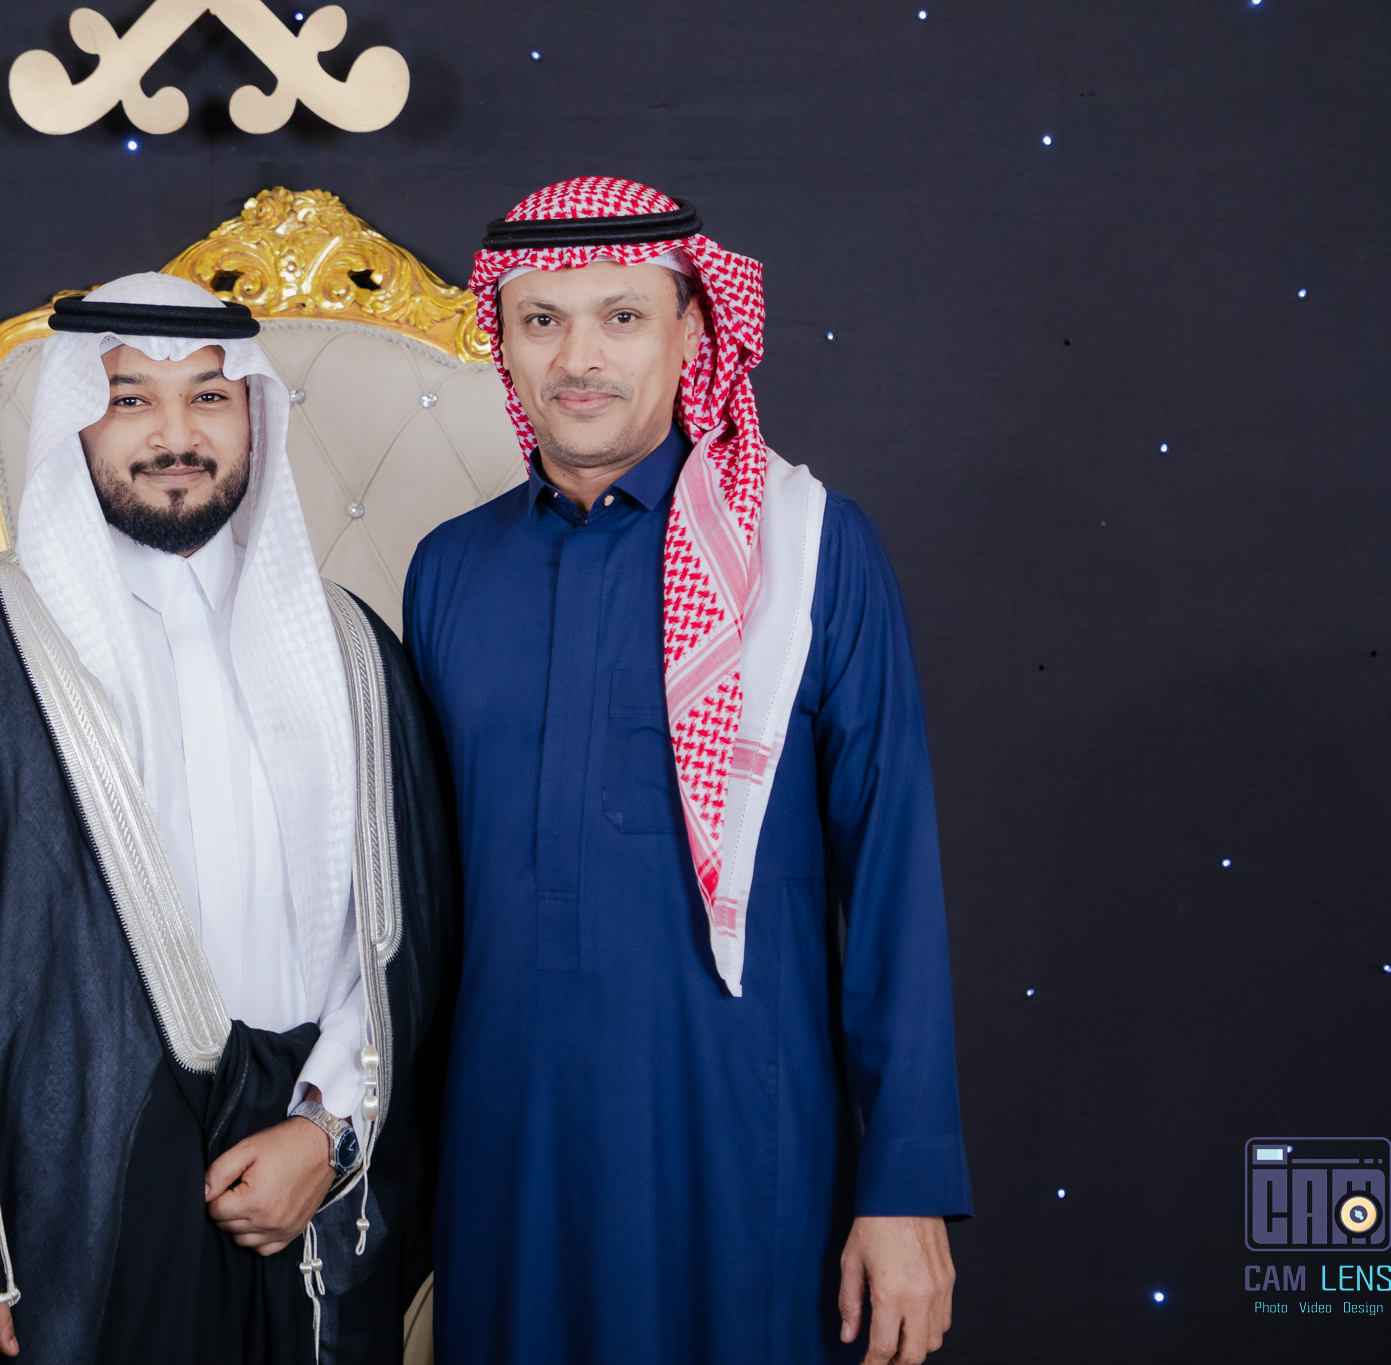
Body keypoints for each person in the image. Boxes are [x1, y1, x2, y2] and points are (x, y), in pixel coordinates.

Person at [0, 273, 455, 1365]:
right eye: (131, 399)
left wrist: (326, 1133)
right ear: (76, 419)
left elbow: (405, 939)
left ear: (253, 414)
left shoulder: (352, 650)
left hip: (304, 1198)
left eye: (209, 397)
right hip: (65, 1200)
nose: (175, 436)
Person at [404, 178, 972, 1365]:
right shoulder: (447, 571)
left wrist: (905, 1185)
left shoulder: (810, 552)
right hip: (505, 1146)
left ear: (692, 332)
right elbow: (416, 902)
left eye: (621, 317)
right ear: (501, 342)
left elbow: (890, 878)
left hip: (737, 1132)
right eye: (541, 320)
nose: (577, 359)